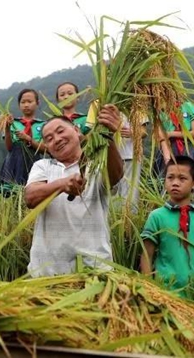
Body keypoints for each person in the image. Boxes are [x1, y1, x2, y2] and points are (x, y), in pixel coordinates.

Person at [24, 104, 124, 277]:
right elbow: (30, 197)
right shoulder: (43, 166)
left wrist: (108, 135)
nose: (56, 139)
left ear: (77, 130)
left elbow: (114, 177)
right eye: (48, 138)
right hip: (47, 272)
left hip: (93, 269)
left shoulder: (97, 164)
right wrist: (62, 184)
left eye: (61, 131)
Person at [140, 156, 194, 296]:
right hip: (167, 295)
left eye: (182, 178)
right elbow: (147, 255)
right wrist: (150, 291)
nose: (175, 183)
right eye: (170, 177)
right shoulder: (157, 216)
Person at [155, 100, 194, 198]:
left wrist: (170, 134)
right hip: (168, 152)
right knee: (167, 188)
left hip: (187, 151)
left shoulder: (187, 106)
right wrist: (167, 160)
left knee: (188, 184)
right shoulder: (160, 110)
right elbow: (161, 138)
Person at [0, 89, 46, 193]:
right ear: (19, 105)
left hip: (33, 162)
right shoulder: (13, 123)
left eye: (29, 101)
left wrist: (28, 139)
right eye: (23, 102)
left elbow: (46, 150)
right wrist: (7, 128)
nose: (26, 105)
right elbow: (9, 147)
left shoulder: (43, 125)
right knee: (12, 194)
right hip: (14, 162)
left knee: (32, 192)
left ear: (37, 103)